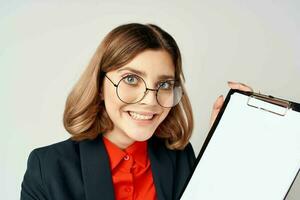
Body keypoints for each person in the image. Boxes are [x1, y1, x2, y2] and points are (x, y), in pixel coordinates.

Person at [20, 23, 252, 200]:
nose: (150, 100)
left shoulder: (179, 158)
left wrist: (221, 151)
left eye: (164, 85)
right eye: (131, 79)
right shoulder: (47, 167)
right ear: (100, 86)